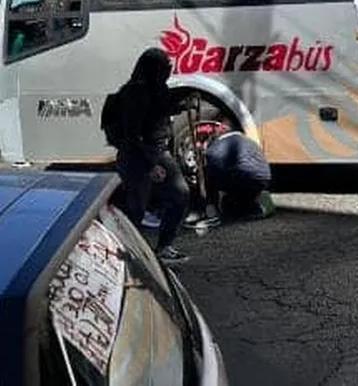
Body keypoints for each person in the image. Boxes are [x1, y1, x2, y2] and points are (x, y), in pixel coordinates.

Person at [108, 47, 191, 264]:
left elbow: (158, 113)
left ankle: (164, 247)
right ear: (153, 69)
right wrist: (149, 166)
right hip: (138, 158)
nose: (168, 71)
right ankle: (127, 258)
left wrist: (180, 106)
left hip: (157, 153)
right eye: (165, 67)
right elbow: (132, 137)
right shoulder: (134, 94)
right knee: (136, 211)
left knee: (180, 195)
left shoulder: (156, 89)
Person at [201, 123, 274, 221]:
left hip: (242, 180)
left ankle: (211, 210)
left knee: (208, 171)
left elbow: (212, 163)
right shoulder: (250, 141)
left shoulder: (218, 145)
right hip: (263, 180)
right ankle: (252, 206)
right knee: (237, 198)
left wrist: (204, 150)